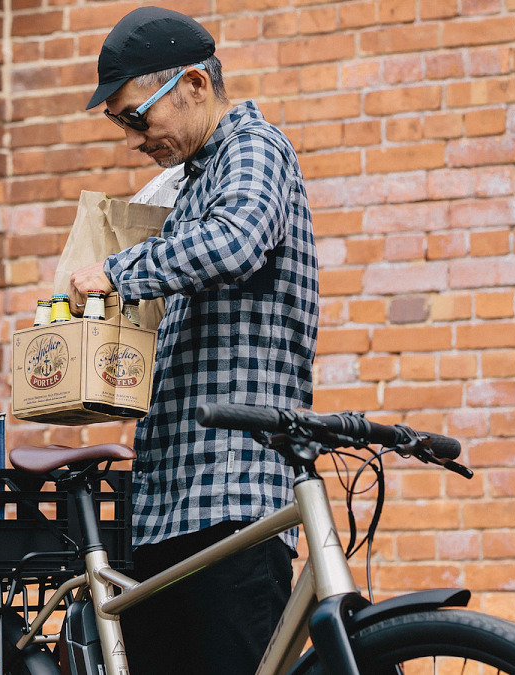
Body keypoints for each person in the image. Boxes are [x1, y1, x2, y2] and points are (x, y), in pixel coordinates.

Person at [68, 7, 319, 675]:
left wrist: (115, 272)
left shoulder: (254, 149)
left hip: (233, 501)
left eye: (135, 117)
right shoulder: (193, 184)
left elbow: (235, 243)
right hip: (174, 505)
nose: (131, 138)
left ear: (194, 86)